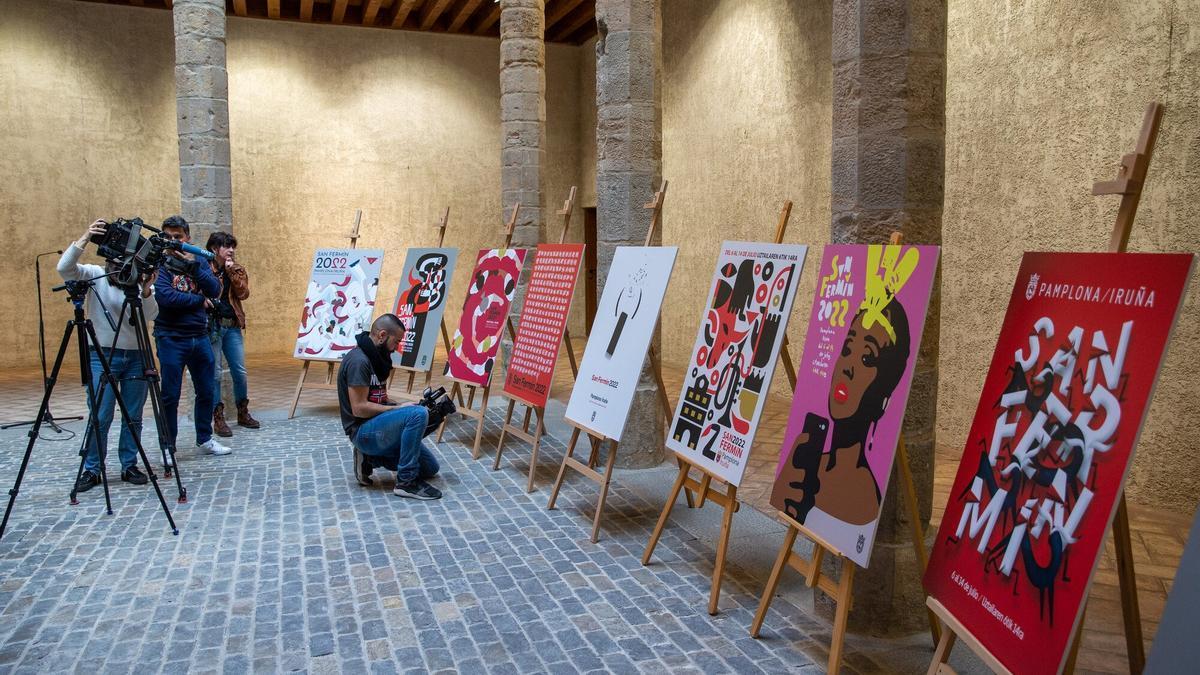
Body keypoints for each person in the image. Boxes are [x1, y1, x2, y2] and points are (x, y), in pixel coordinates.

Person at [57, 220, 159, 492]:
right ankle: (92, 469)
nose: (118, 270)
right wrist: (86, 237)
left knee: (133, 416)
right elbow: (64, 269)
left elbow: (148, 316)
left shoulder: (137, 283)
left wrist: (146, 290)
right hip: (102, 355)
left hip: (137, 355)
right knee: (100, 415)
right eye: (113, 264)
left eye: (122, 265)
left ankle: (129, 464)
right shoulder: (93, 275)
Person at [337, 314, 441, 500]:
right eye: (396, 341)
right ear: (382, 335)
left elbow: (379, 398)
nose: (397, 347)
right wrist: (400, 411)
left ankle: (370, 458)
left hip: (377, 425)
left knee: (430, 468)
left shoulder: (377, 358)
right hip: (362, 432)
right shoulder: (359, 361)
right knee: (416, 415)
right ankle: (406, 483)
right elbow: (359, 408)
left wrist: (404, 407)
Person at [154, 215, 231, 457]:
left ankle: (205, 438)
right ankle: (169, 445)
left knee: (206, 390)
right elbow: (165, 298)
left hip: (199, 336)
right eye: (168, 236)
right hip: (171, 337)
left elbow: (215, 289)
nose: (173, 241)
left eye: (178, 236)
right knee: (170, 394)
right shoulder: (160, 264)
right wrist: (199, 301)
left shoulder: (198, 260)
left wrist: (194, 265)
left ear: (187, 237)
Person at [204, 231, 259, 437]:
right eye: (227, 246)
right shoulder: (204, 268)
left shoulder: (236, 269)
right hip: (214, 326)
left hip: (232, 325)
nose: (231, 250)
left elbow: (243, 293)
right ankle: (218, 418)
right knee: (216, 374)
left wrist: (231, 274)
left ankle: (242, 413)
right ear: (214, 248)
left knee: (240, 372)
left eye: (232, 246)